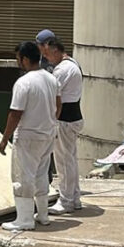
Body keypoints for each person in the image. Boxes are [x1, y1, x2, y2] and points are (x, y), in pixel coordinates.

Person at [0, 41, 61, 231]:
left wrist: (4, 139)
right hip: (47, 134)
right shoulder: (51, 79)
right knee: (42, 174)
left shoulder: (23, 82)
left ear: (25, 59)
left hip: (28, 137)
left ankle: (24, 220)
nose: (18, 62)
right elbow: (59, 104)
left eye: (18, 59)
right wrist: (50, 121)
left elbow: (15, 113)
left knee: (22, 177)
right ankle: (43, 215)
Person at [45, 37, 84, 214]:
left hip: (64, 120)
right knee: (69, 160)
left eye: (47, 54)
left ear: (55, 51)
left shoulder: (63, 69)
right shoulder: (72, 64)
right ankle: (73, 197)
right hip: (71, 118)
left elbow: (51, 95)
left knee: (63, 162)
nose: (46, 58)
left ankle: (67, 200)